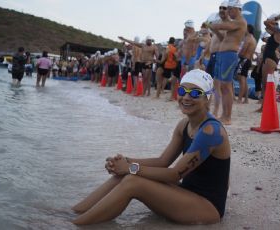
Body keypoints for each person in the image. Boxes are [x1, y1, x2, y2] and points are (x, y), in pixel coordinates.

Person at [71, 69, 230, 225]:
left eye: (195, 93)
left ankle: (76, 225)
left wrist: (129, 168)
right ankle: (75, 212)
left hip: (207, 207)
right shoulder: (184, 125)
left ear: (207, 98)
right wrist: (125, 161)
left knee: (132, 181)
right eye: (182, 90)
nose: (186, 97)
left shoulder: (211, 131)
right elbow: (162, 161)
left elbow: (174, 174)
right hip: (186, 193)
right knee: (124, 175)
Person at [208, 0, 247, 125]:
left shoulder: (240, 22)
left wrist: (212, 24)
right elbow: (221, 31)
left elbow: (220, 26)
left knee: (227, 86)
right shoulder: (234, 22)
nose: (228, 12)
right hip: (223, 55)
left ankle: (228, 117)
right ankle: (224, 115)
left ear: (237, 9)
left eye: (230, 9)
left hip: (229, 56)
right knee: (223, 87)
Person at [256, 13, 280, 113]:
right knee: (264, 83)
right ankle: (263, 106)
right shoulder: (273, 35)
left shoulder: (278, 32)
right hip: (267, 58)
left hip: (270, 59)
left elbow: (265, 23)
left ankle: (267, 107)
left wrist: (273, 19)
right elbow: (264, 36)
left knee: (267, 84)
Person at [236, 24, 257, 104]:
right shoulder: (253, 39)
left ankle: (240, 98)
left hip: (244, 59)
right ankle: (246, 99)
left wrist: (237, 56)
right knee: (244, 79)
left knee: (241, 79)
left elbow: (243, 49)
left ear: (248, 29)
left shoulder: (248, 38)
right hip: (248, 60)